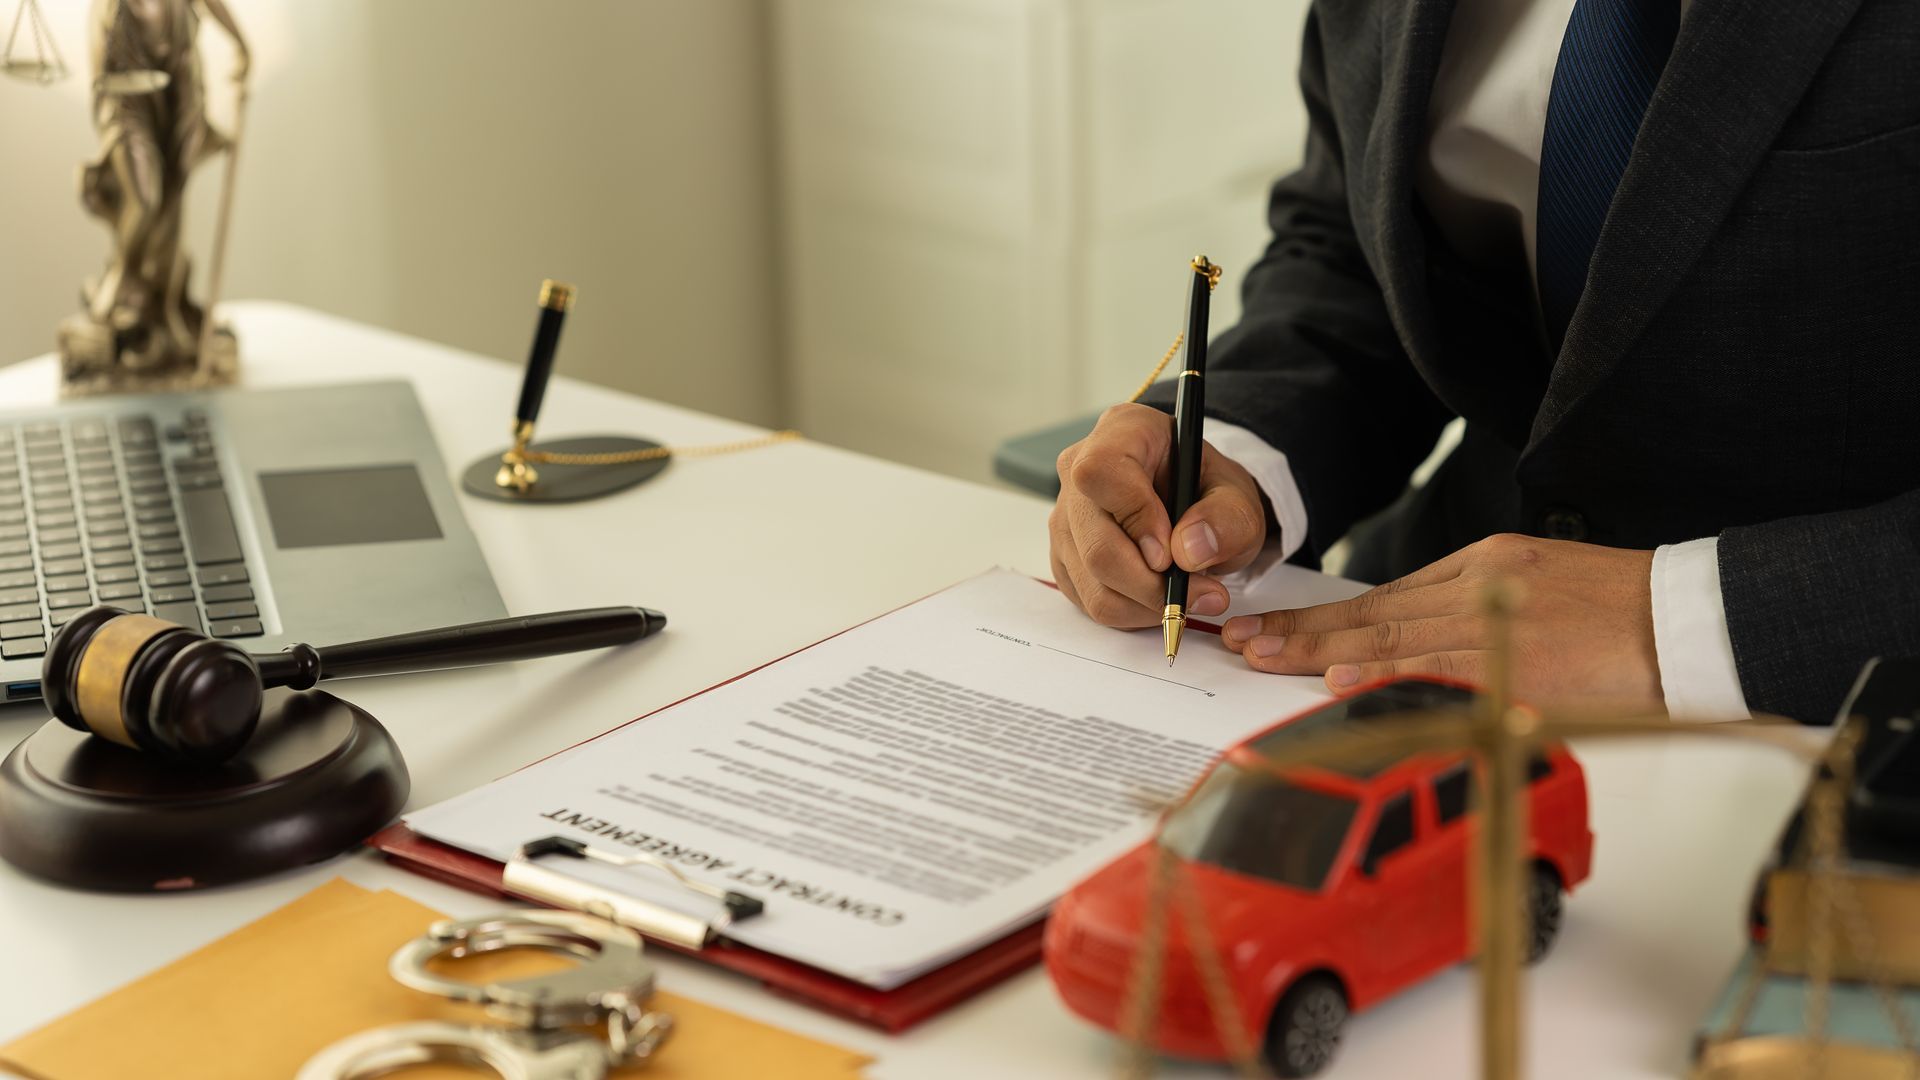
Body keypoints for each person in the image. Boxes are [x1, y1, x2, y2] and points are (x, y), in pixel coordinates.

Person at [1048, 0, 1920, 723]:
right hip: (1410, 644)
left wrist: (1686, 622)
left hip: (1843, 736)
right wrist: (1238, 450)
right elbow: (1359, 251)